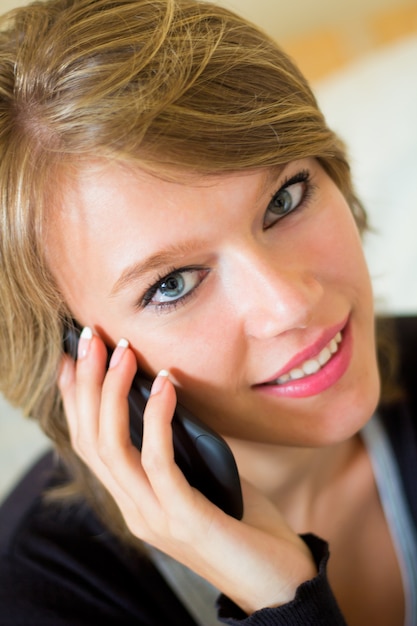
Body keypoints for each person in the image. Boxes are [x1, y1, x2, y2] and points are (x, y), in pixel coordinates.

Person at [0, 0, 416, 624]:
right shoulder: (38, 595)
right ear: (71, 354)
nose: (290, 303)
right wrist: (283, 603)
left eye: (285, 197)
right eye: (172, 284)